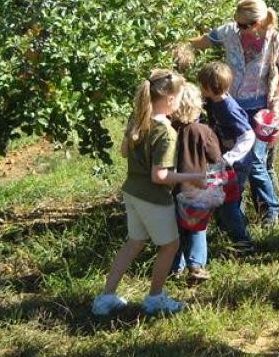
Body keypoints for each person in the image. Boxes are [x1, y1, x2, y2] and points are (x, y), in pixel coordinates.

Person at [92, 70, 206, 316]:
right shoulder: (165, 132)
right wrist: (194, 177)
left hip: (132, 191)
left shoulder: (138, 120)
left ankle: (106, 297)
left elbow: (124, 151)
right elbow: (160, 176)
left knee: (134, 243)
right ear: (171, 100)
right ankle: (155, 298)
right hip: (153, 198)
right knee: (170, 245)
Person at [187, 0, 279, 228]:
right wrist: (179, 44)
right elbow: (201, 42)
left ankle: (269, 211)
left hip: (258, 109)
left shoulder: (275, 40)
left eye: (246, 25)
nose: (240, 29)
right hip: (229, 106)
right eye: (238, 22)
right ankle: (237, 213)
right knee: (232, 161)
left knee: (254, 161)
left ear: (260, 21)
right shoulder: (229, 32)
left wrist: (278, 100)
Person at [197, 61, 256, 253]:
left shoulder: (228, 108)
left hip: (234, 164)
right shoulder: (214, 102)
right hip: (220, 162)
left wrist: (230, 158)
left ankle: (242, 242)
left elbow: (248, 135)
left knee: (227, 202)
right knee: (225, 199)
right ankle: (230, 230)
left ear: (207, 87)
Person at [170, 83, 224, 281]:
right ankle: (196, 265)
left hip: (173, 188)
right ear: (197, 105)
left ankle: (175, 268)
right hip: (198, 190)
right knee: (197, 228)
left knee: (176, 230)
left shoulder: (169, 130)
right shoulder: (203, 131)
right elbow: (216, 159)